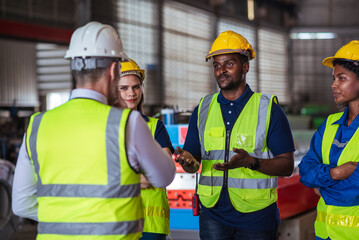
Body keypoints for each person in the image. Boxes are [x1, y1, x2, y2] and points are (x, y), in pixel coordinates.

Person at [11, 21, 176, 240]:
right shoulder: (127, 123)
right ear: (112, 71)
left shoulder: (37, 125)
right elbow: (164, 176)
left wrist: (68, 218)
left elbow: (21, 205)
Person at [175, 30, 295, 240]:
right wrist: (187, 162)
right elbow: (194, 163)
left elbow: (286, 166)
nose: (221, 70)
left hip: (256, 216)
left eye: (229, 64)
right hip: (212, 214)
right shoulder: (202, 108)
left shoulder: (268, 109)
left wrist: (252, 162)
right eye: (216, 65)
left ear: (245, 66)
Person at [299, 40, 359, 240]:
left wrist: (322, 186)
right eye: (333, 78)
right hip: (324, 234)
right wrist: (335, 173)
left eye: (341, 78)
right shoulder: (330, 124)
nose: (334, 84)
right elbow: (306, 170)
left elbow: (355, 189)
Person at [114, 58, 174, 240]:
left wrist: (121, 178)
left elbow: (159, 176)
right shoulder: (106, 128)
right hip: (116, 220)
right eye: (123, 88)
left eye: (136, 87)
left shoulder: (156, 127)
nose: (131, 93)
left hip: (151, 224)